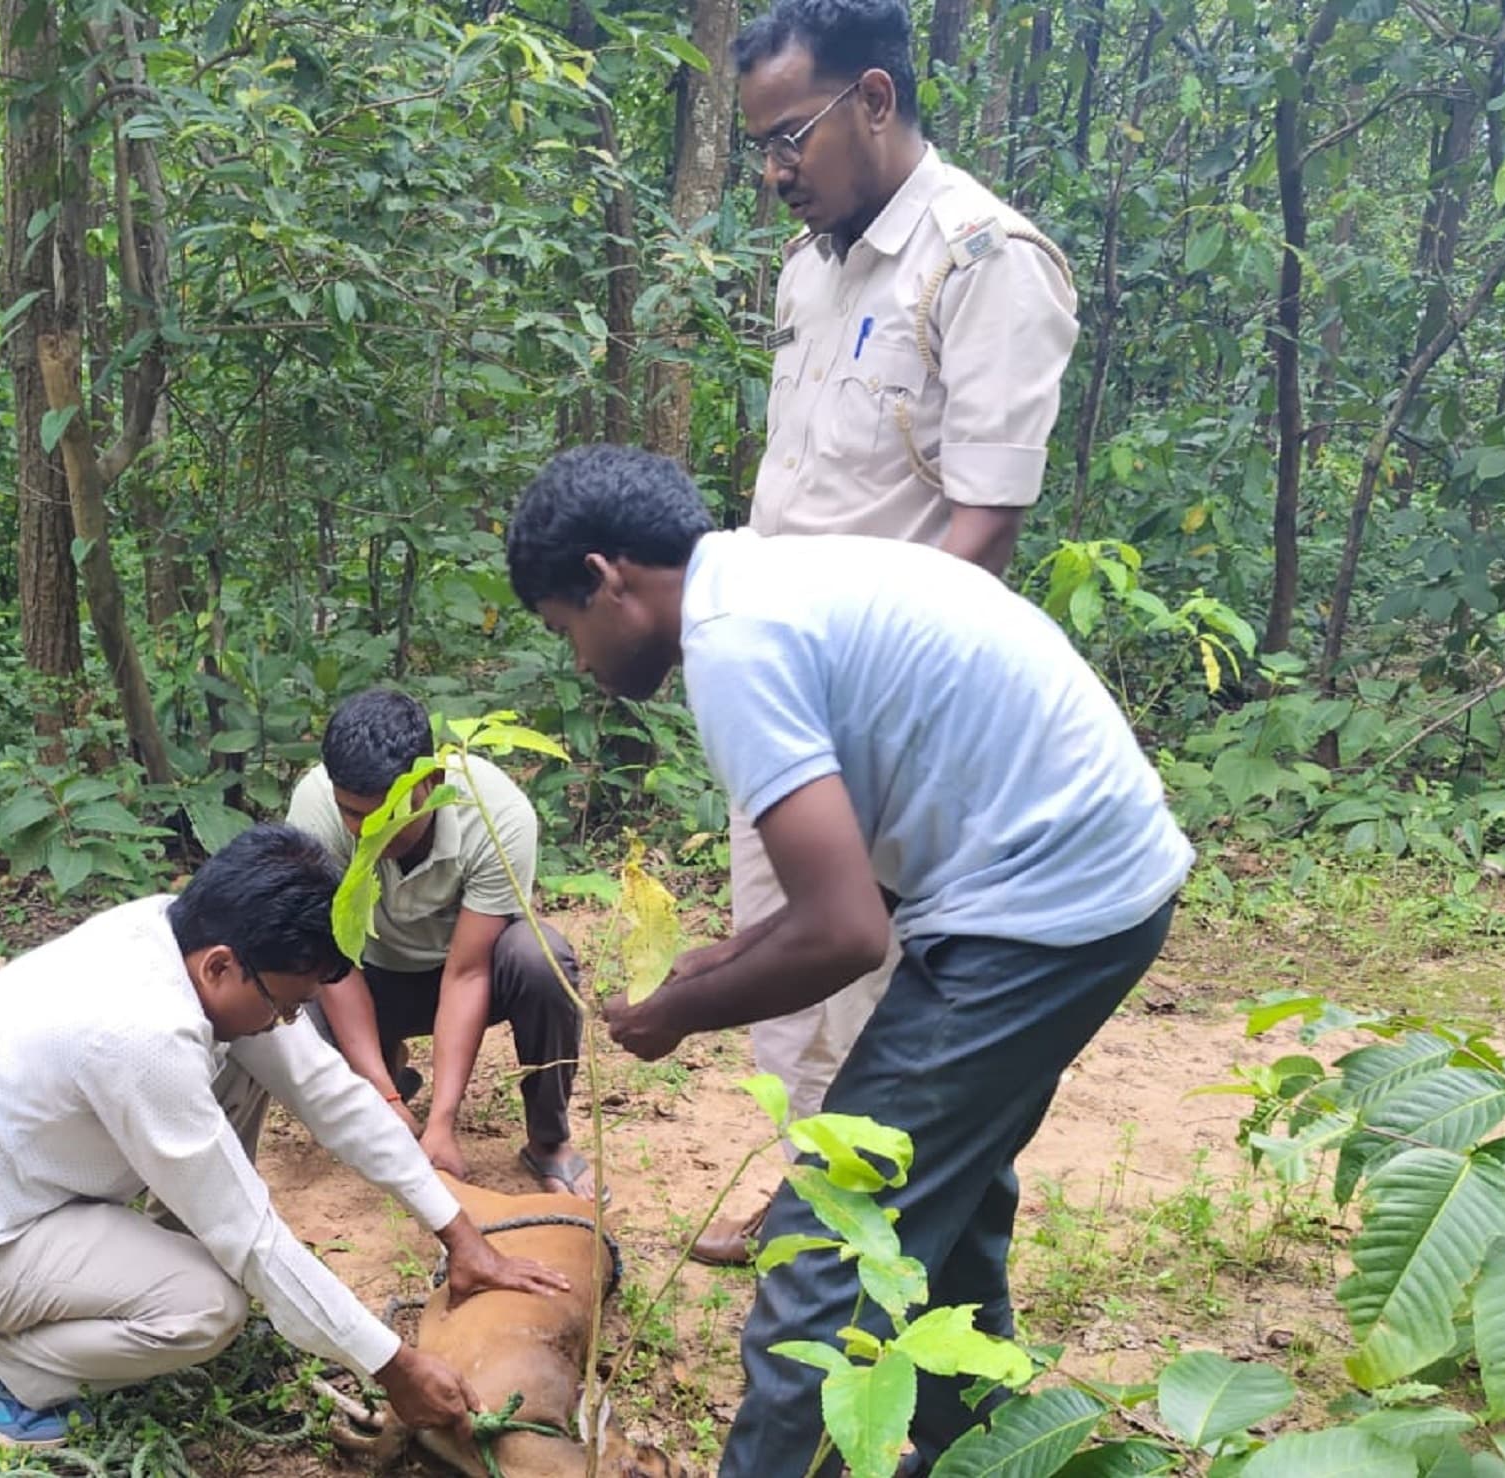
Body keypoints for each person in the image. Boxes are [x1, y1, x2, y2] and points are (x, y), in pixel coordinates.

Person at [505, 445, 1189, 1476]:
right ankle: (975, 1456)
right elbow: (853, 885)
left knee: (834, 1238)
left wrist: (676, 1014)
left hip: (1041, 909)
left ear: (607, 579)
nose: (579, 662)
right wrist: (727, 956)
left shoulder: (736, 645)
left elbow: (845, 933)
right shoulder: (776, 580)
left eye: (567, 629)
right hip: (1090, 879)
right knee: (946, 1203)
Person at [694, 0, 1084, 1267]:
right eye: (758, 144)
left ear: (873, 98)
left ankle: (890, 1238)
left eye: (789, 137)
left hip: (885, 709)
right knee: (789, 974)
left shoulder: (982, 261)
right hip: (781, 691)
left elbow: (986, 522)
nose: (772, 171)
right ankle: (811, 1191)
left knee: (884, 984)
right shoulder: (809, 269)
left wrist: (872, 709)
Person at [0, 825, 573, 1450]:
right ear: (222, 965)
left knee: (248, 1061)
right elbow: (252, 1237)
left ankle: (145, 1270)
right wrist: (394, 1367)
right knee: (207, 1308)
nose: (288, 1022)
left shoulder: (179, 936)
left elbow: (327, 1090)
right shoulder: (140, 1035)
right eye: (287, 1005)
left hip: (20, 1186)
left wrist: (460, 1234)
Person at [285, 689, 597, 1200]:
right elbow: (334, 963)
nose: (367, 831)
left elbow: (468, 972)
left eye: (387, 813)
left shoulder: (498, 814)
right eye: (352, 814)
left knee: (540, 959)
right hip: (368, 973)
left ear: (430, 782)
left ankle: (549, 1142)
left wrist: (442, 1124)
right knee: (290, 985)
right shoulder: (316, 809)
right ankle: (387, 1076)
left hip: (467, 973)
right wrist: (383, 1096)